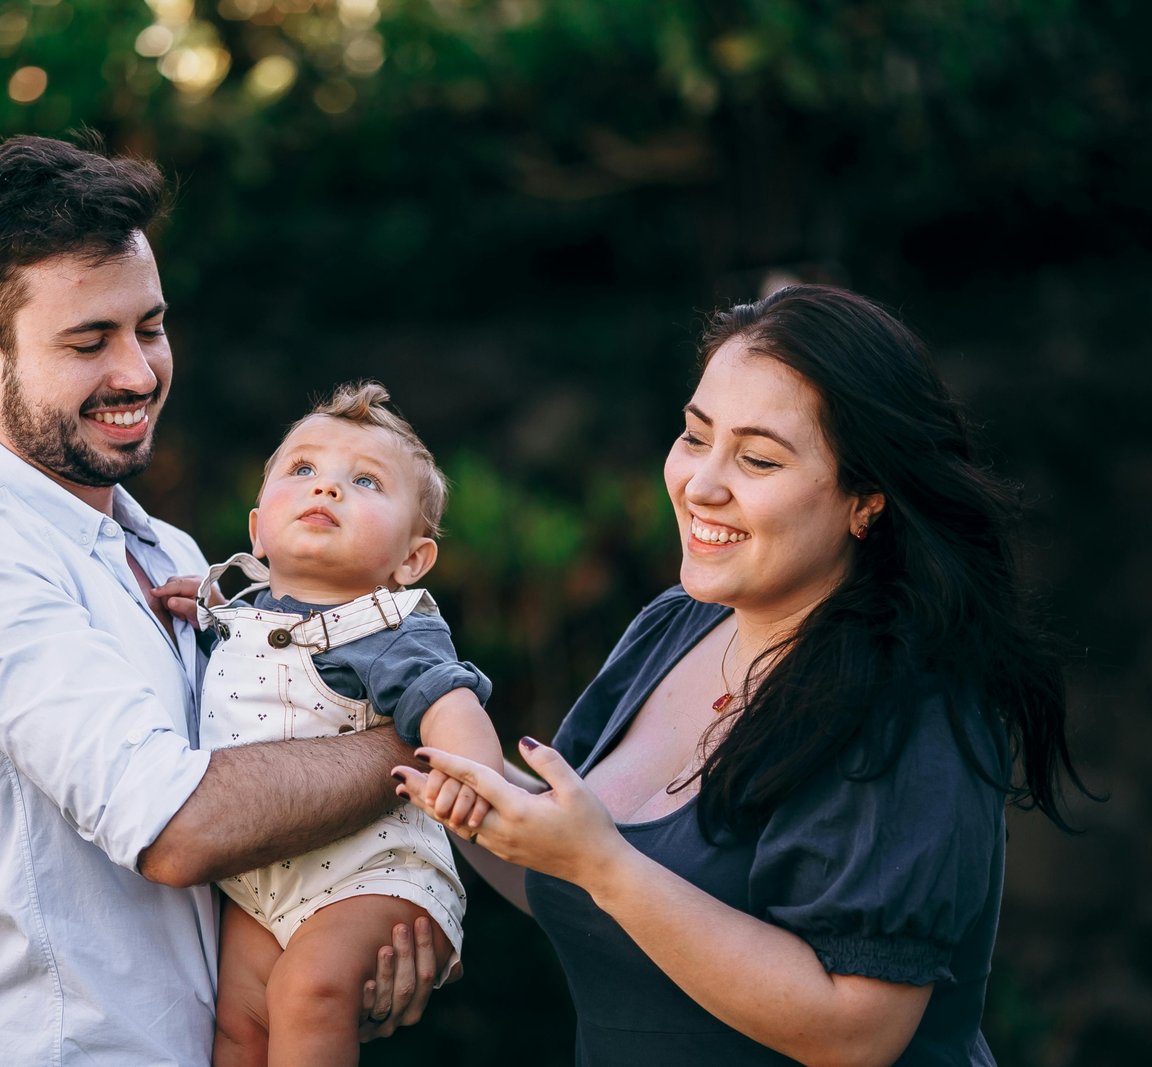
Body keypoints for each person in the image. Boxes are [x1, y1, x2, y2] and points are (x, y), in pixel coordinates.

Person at [394, 284, 1093, 1065]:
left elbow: (856, 1030)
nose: (701, 484)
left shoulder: (912, 703)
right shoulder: (676, 622)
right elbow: (565, 869)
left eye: (758, 458)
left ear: (867, 498)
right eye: (696, 437)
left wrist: (605, 863)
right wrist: (408, 773)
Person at [0, 134, 438, 1066]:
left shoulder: (168, 551)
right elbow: (177, 827)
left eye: (150, 326)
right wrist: (420, 740)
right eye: (90, 341)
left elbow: (254, 816)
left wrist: (333, 954)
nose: (138, 372)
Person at [188, 381, 500, 1065]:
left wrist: (472, 781)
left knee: (307, 992)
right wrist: (193, 602)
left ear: (411, 561)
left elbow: (449, 701)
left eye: (364, 481)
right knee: (238, 1023)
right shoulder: (228, 616)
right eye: (303, 470)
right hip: (257, 881)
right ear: (258, 530)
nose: (326, 488)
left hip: (373, 874)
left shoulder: (387, 627)